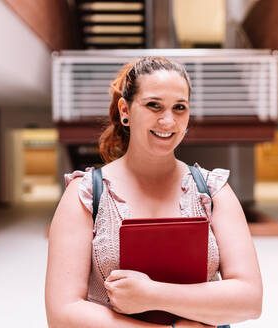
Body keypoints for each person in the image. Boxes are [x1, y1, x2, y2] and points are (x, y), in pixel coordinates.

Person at [45, 57, 262, 328]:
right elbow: (63, 314)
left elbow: (249, 300)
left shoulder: (214, 191)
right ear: (125, 110)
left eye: (179, 107)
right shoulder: (86, 194)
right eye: (153, 105)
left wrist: (152, 294)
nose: (168, 120)